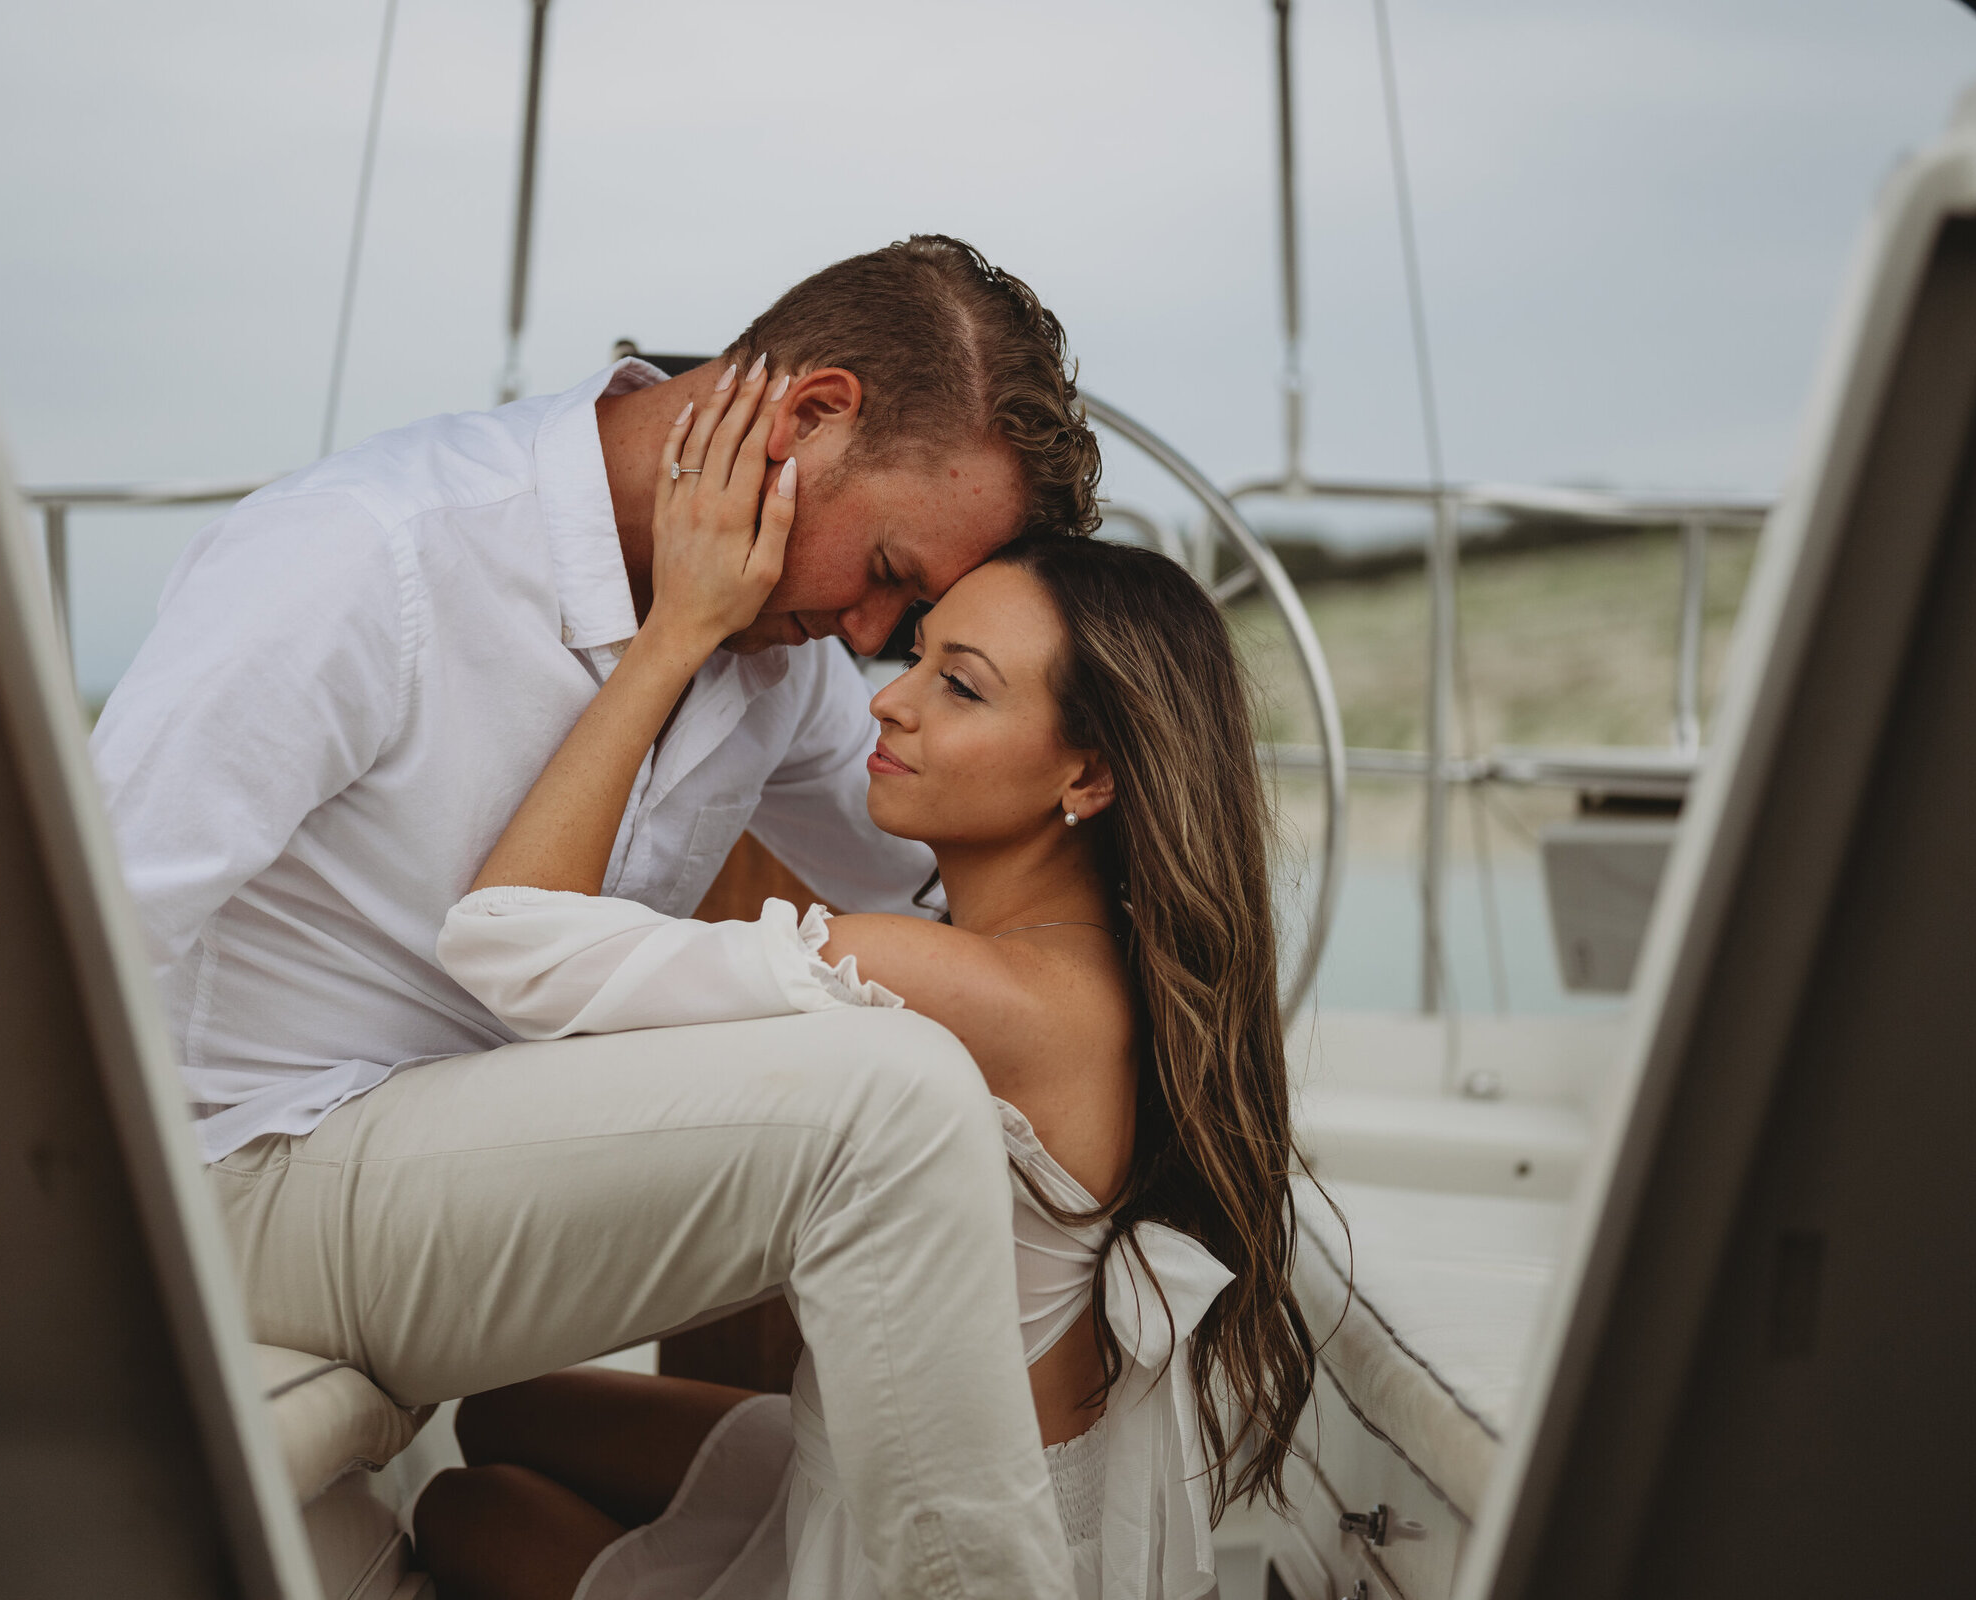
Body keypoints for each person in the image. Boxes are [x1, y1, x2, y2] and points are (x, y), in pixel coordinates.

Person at [91, 237, 1102, 1600]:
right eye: (885, 568)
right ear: (806, 418)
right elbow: (82, 939)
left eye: (908, 613)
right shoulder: (370, 555)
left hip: (442, 1186)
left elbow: (948, 873)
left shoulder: (778, 657)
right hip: (237, 1172)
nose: (867, 630)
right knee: (886, 1104)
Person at [407, 382, 1317, 1600]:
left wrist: (678, 630)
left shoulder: (947, 979)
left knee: (473, 1508)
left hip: (918, 1537)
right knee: (505, 1416)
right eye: (919, 649)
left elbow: (508, 941)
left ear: (1088, 774)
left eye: (963, 685)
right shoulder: (1110, 964)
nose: (886, 693)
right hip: (1023, 1479)